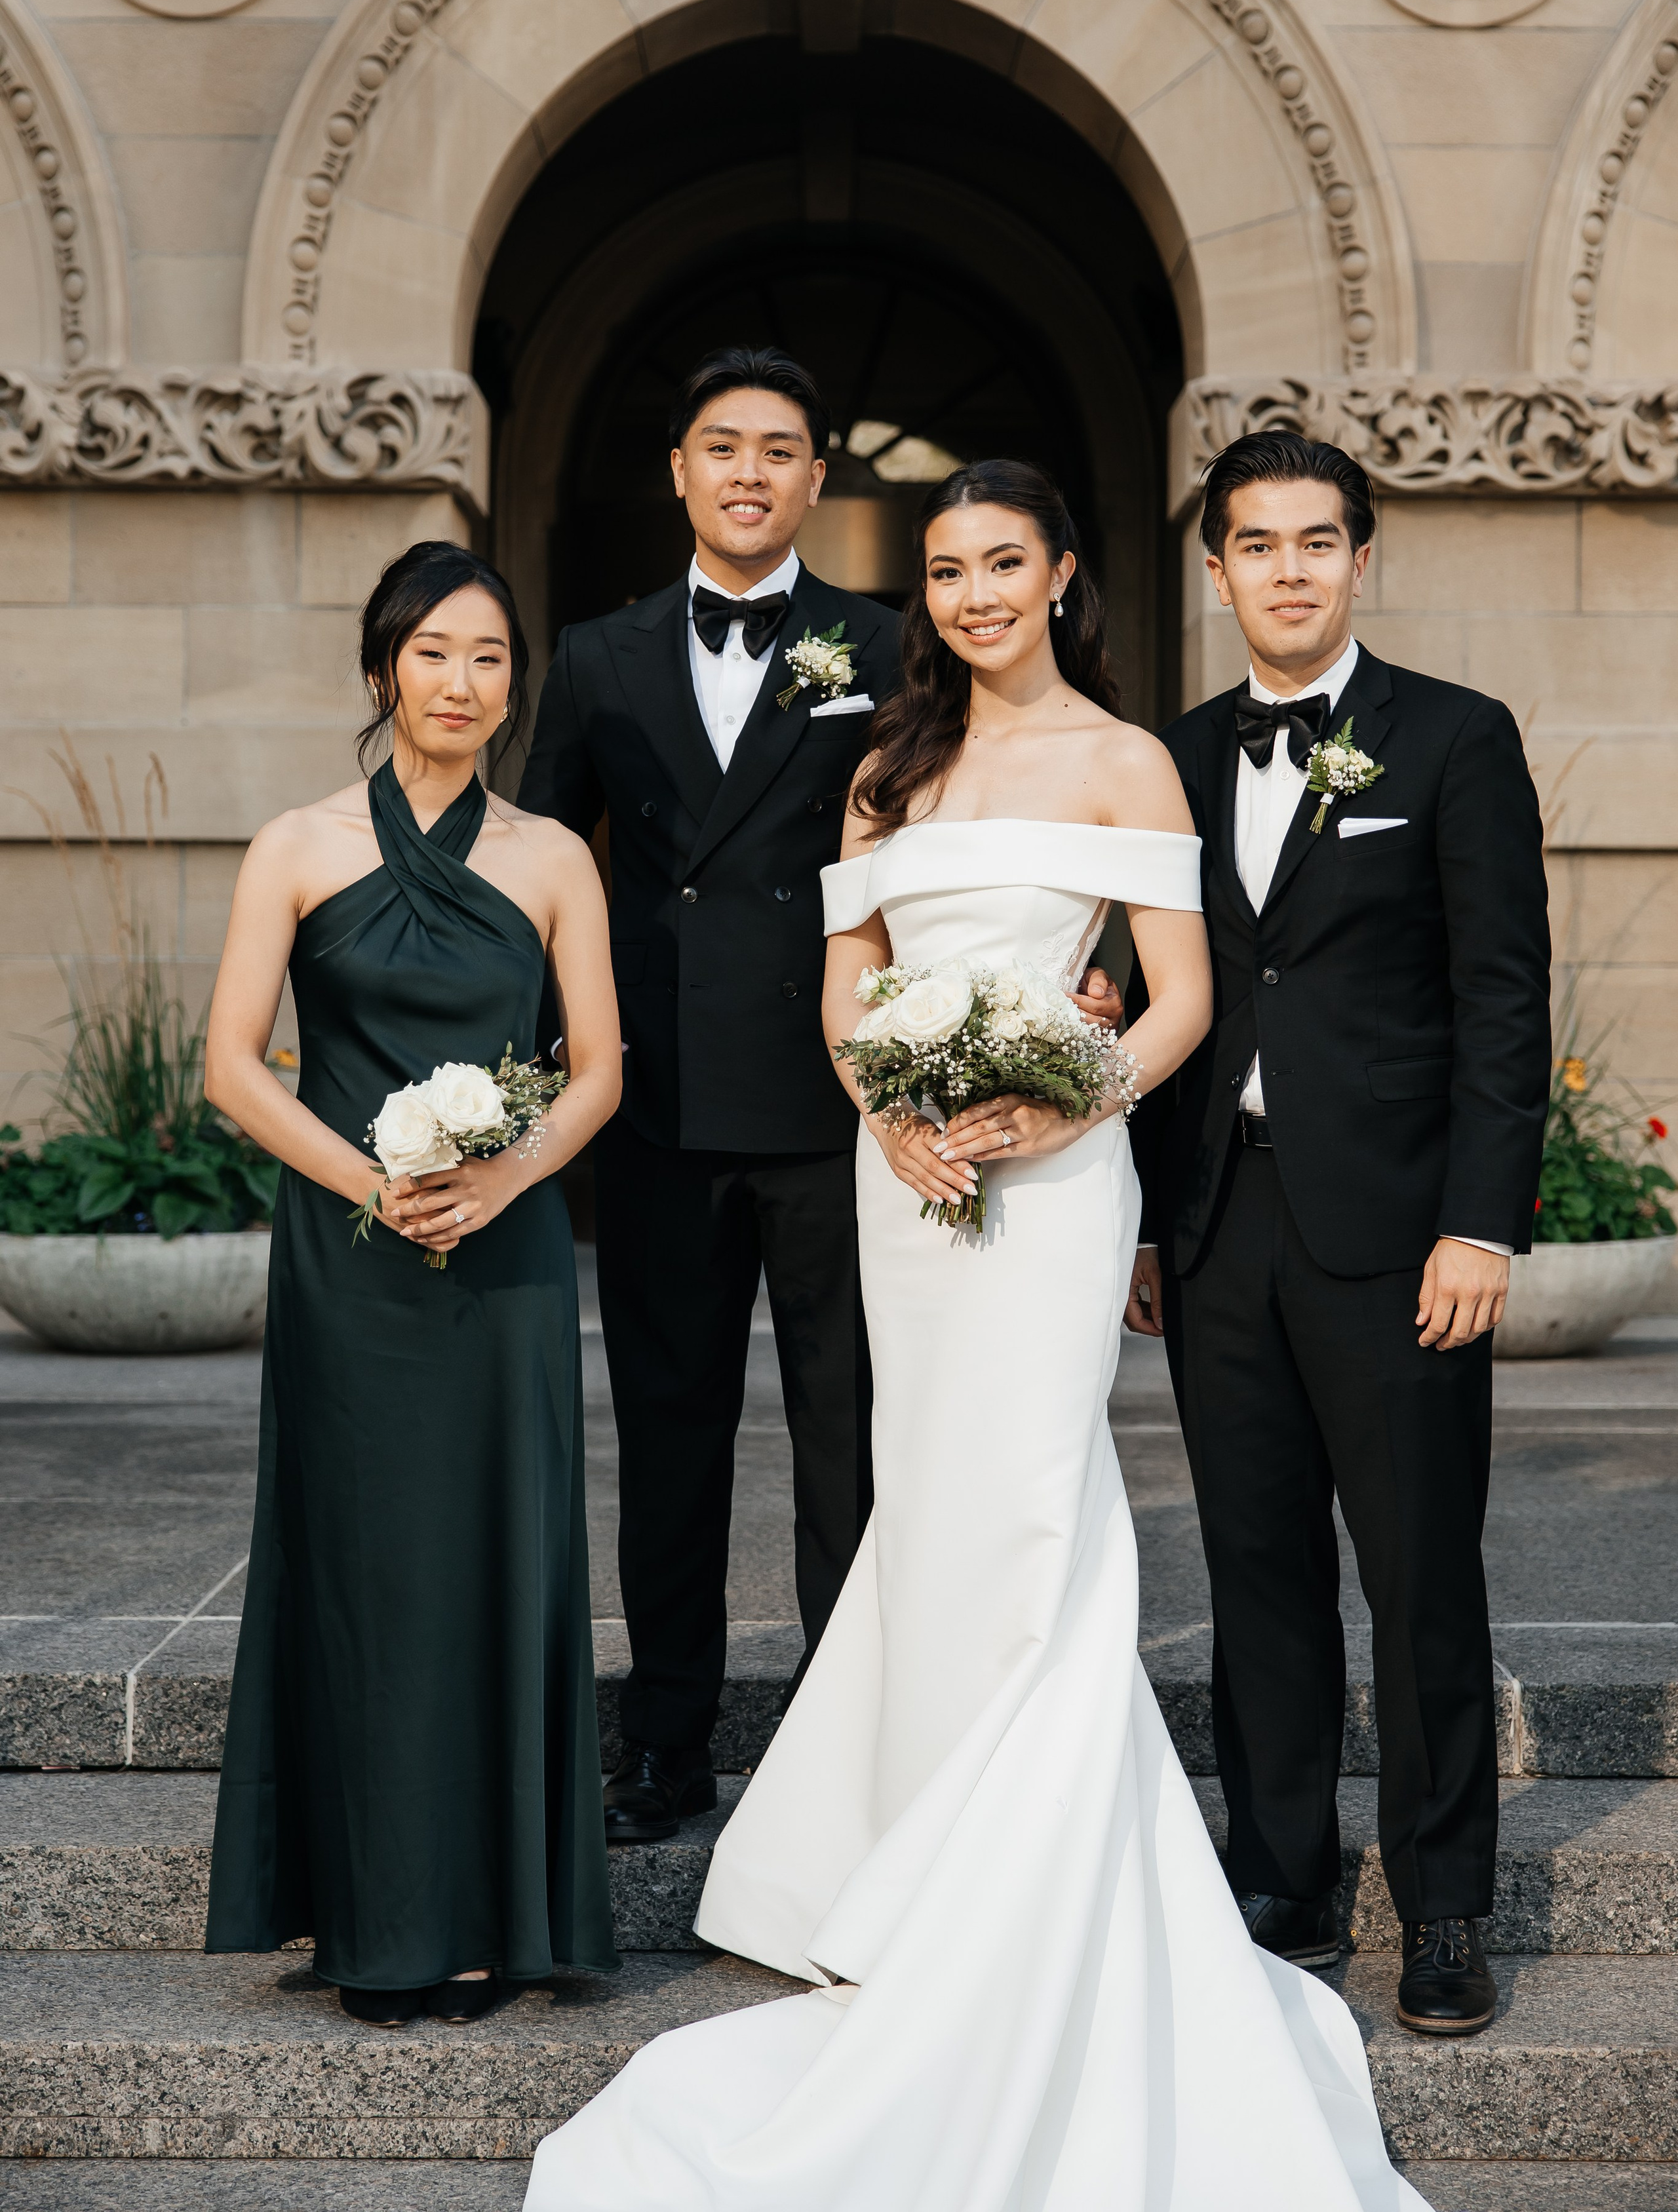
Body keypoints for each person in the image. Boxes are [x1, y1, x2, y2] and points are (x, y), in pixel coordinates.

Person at [523, 459, 1430, 2211]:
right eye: (944, 571)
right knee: (928, 1501)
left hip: (1056, 1180)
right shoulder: (887, 769)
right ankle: (918, 1859)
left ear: (1065, 576)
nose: (972, 594)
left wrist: (1056, 1099)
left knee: (1028, 1496)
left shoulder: (1126, 760)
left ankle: (1025, 1880)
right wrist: (890, 1106)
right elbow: (845, 985)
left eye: (1003, 564)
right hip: (909, 1182)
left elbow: (1177, 1001)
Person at [1125, 431, 1550, 2038]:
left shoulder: (1452, 739)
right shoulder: (1163, 760)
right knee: (1255, 1573)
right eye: (1257, 544)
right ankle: (1282, 1874)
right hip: (1221, 1228)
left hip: (1398, 1238)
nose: (1288, 570)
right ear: (1215, 567)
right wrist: (1158, 1232)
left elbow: (1501, 1005)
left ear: (1359, 559)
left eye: (1318, 542)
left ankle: (1442, 1910)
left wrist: (1478, 1228)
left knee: (1420, 1574)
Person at [204, 541, 619, 2024]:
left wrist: (504, 1180)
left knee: (498, 1560)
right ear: (386, 667)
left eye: (490, 657)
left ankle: (504, 1914)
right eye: (435, 651)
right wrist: (372, 1182)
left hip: (501, 1261)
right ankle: (374, 1915)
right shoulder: (298, 844)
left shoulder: (553, 855)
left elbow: (599, 1071)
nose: (462, 681)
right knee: (366, 1573)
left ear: (515, 685)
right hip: (351, 1253)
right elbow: (230, 1067)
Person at [517, 346, 900, 1845]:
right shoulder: (596, 653)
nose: (750, 471)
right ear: (677, 470)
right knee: (668, 1445)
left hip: (835, 1104)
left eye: (781, 449)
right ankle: (662, 1743)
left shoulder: (881, 642)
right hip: (660, 1109)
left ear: (816, 479)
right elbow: (541, 870)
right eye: (721, 445)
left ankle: (838, 1744)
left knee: (843, 1444)